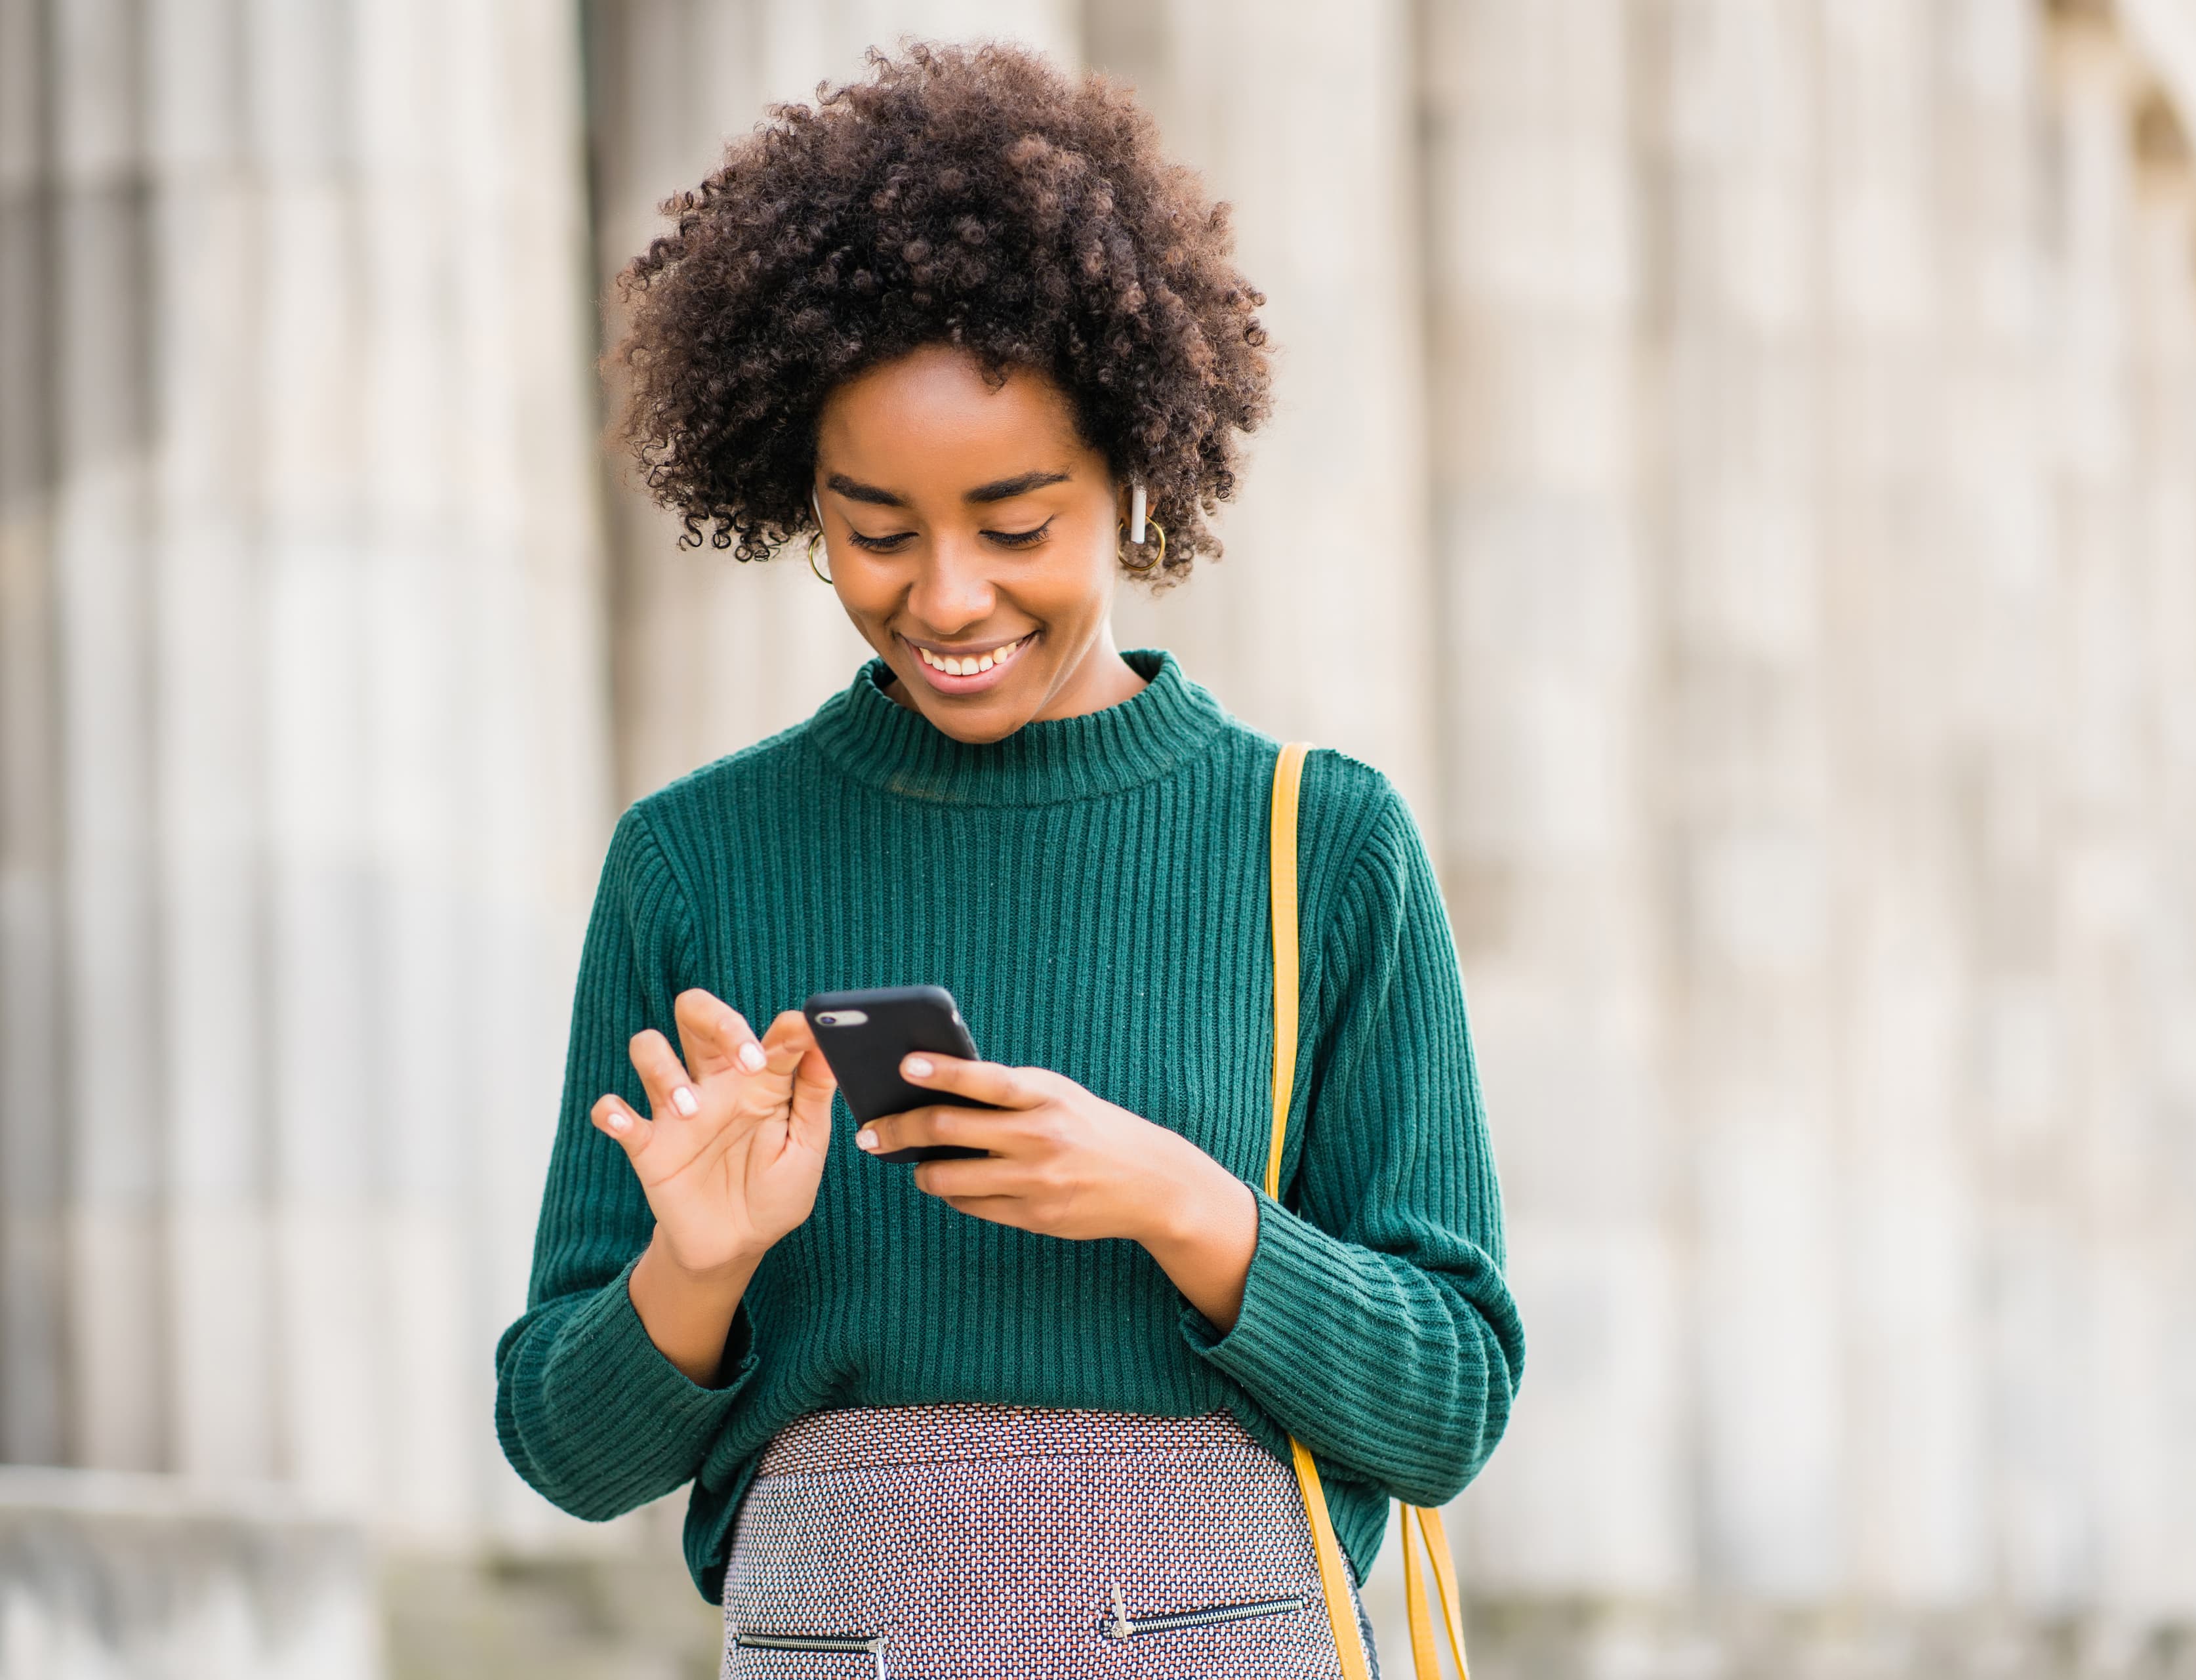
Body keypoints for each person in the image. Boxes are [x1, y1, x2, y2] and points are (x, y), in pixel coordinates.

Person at [495, 41, 1520, 1677]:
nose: (949, 598)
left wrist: (1182, 1206)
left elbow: (1453, 1402)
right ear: (798, 500)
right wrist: (700, 1264)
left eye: (1019, 522)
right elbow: (568, 1450)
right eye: (877, 532)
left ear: (1134, 467)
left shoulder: (1323, 849)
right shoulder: (693, 861)